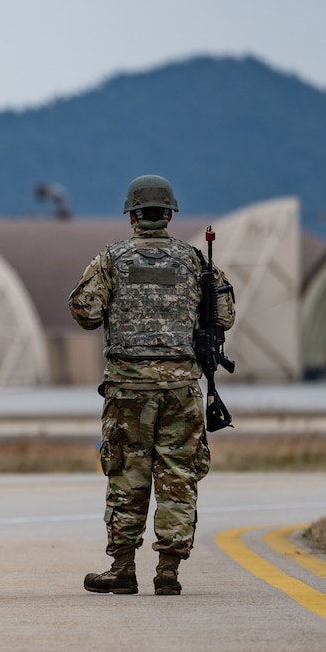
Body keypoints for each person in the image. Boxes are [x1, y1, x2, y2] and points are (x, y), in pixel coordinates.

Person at [68, 175, 235, 596]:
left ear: (132, 216)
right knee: (178, 475)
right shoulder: (197, 261)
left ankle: (123, 569)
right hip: (181, 388)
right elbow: (224, 316)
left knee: (126, 474)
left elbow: (84, 313)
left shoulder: (111, 259)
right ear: (170, 214)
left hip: (128, 388)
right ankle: (168, 572)